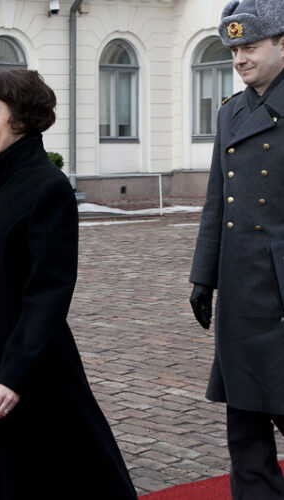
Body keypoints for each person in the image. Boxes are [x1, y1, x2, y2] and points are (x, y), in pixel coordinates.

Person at [0, 69, 137, 499]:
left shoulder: (47, 188)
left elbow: (49, 290)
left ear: (21, 118)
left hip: (29, 366)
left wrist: (15, 374)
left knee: (40, 478)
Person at [189, 1, 284, 497]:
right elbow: (214, 202)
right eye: (233, 48)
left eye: (249, 45)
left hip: (282, 296)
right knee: (244, 426)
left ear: (282, 42)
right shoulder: (231, 112)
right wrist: (203, 276)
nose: (239, 58)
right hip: (241, 292)